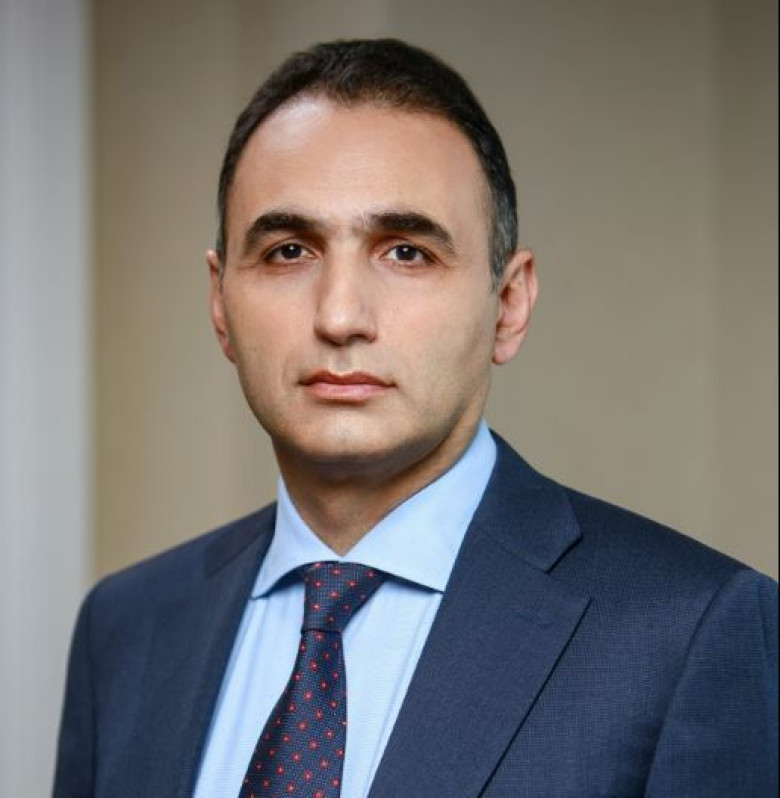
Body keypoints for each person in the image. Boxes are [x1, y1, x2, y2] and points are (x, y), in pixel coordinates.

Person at [53, 38, 777, 798]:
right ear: (219, 302)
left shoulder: (690, 634)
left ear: (509, 304)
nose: (340, 316)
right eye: (289, 250)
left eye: (405, 253)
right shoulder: (124, 629)